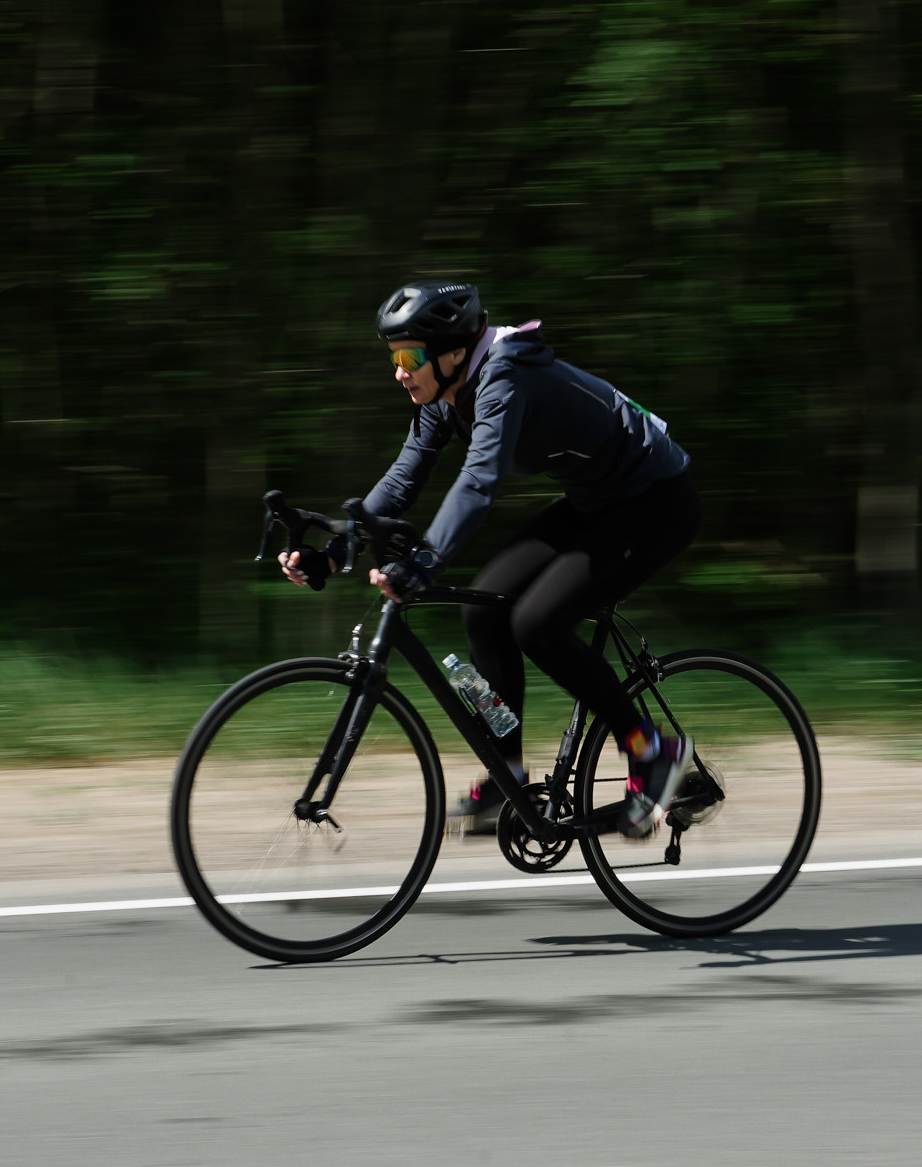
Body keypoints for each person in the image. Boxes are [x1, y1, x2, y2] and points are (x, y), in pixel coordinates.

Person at [278, 280, 702, 840]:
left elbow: (479, 480)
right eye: (393, 358)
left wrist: (426, 560)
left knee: (538, 623)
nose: (400, 371)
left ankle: (654, 752)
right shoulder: (446, 392)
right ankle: (510, 772)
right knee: (482, 614)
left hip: (656, 500)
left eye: (409, 357)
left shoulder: (504, 375)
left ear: (453, 352)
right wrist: (334, 554)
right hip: (594, 501)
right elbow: (405, 476)